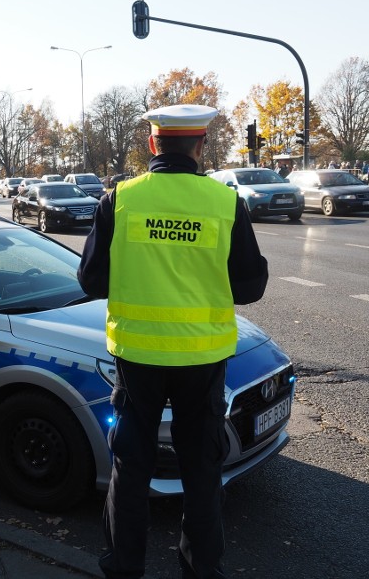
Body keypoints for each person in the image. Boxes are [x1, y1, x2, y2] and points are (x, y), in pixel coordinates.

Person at [77, 104, 268, 579]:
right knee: (202, 470)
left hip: (137, 358)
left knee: (132, 465)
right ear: (201, 147)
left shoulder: (119, 199)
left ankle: (124, 567)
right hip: (203, 360)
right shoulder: (225, 203)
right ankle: (202, 570)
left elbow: (90, 281)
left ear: (151, 145)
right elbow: (250, 288)